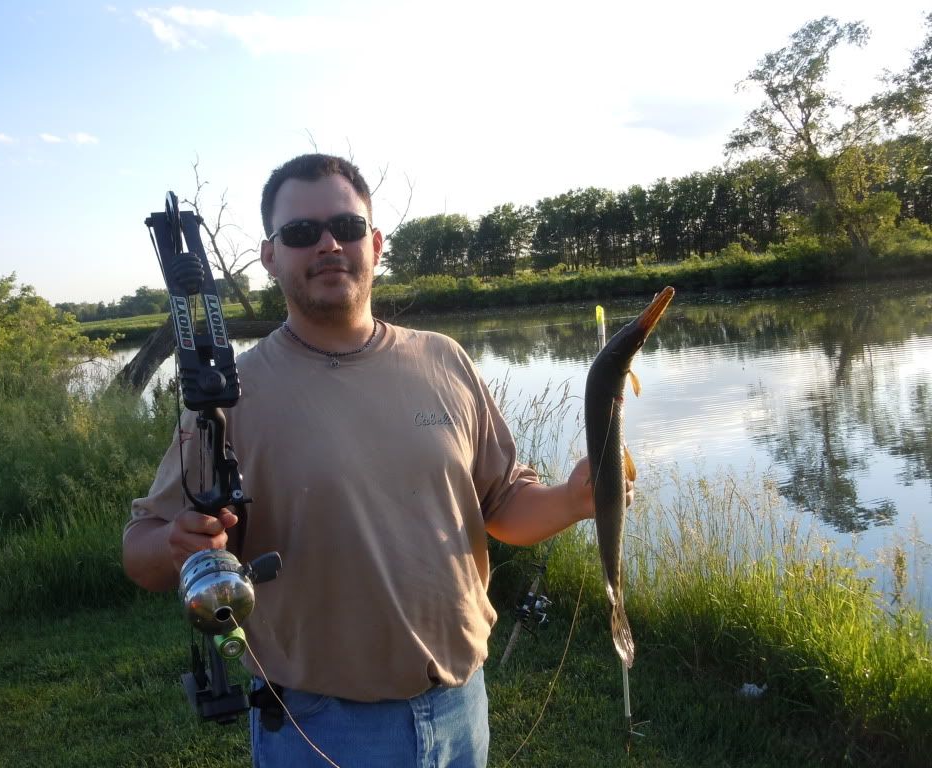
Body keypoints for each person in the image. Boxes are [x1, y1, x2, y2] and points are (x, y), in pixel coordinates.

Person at [123, 153, 631, 767]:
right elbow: (142, 548)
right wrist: (178, 544)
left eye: (348, 226)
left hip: (460, 707)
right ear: (270, 256)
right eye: (302, 234)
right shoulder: (233, 393)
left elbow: (502, 506)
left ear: (376, 242)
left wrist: (577, 500)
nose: (329, 244)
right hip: (319, 724)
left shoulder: (443, 360)